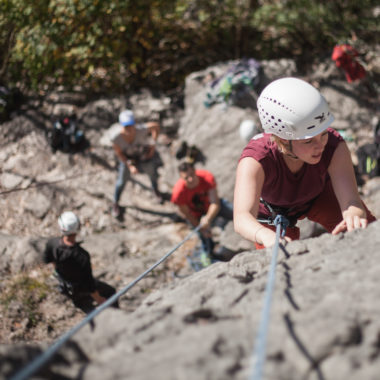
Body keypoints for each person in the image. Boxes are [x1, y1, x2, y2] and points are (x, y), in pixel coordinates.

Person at [233, 77, 376, 249]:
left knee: (363, 227)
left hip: (319, 195)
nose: (320, 145)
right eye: (308, 141)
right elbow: (242, 218)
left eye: (323, 133)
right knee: (280, 262)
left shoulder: (333, 145)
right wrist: (266, 236)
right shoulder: (257, 159)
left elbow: (351, 200)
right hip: (273, 212)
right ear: (283, 140)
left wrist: (354, 213)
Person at [44, 211, 117, 312]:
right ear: (77, 227)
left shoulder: (52, 243)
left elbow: (50, 261)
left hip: (64, 284)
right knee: (111, 292)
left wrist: (60, 273)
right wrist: (100, 300)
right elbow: (89, 284)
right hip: (80, 289)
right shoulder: (82, 256)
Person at [171, 161, 233, 258]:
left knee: (234, 212)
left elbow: (215, 203)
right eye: (186, 178)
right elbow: (187, 214)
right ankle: (210, 254)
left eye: (192, 175)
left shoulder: (206, 178)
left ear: (195, 171)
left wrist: (208, 218)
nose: (190, 179)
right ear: (181, 178)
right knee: (205, 239)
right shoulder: (178, 193)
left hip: (211, 207)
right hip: (196, 215)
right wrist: (202, 229)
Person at [111, 109, 163, 218]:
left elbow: (156, 126)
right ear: (121, 126)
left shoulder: (141, 130)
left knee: (152, 173)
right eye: (126, 126)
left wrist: (153, 145)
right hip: (128, 159)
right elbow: (119, 154)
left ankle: (155, 190)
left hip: (142, 155)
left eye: (131, 125)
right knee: (121, 181)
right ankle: (115, 202)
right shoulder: (116, 138)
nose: (129, 129)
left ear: (134, 124)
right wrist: (130, 165)